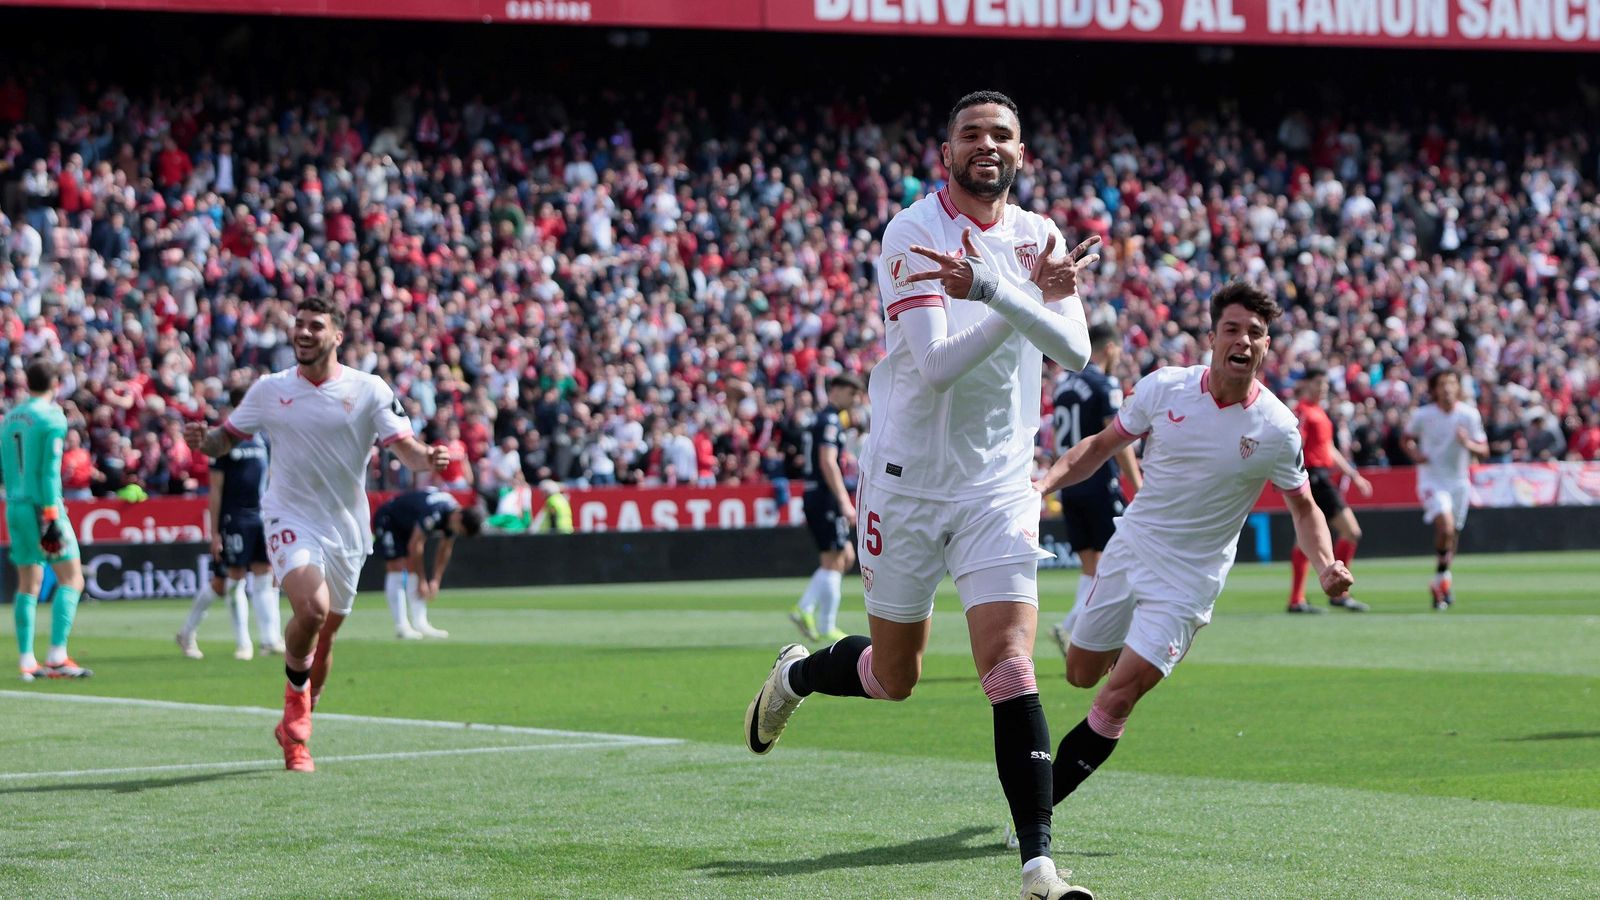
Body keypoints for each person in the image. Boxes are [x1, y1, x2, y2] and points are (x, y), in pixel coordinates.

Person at [743, 91, 1097, 900]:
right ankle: (798, 676)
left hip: (999, 486)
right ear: (946, 153)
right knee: (895, 675)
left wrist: (1005, 288)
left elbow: (1075, 351)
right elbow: (936, 367)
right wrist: (1015, 294)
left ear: (1022, 152)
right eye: (971, 134)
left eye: (1002, 134)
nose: (987, 145)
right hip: (905, 483)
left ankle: (1039, 868)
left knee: (1009, 664)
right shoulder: (912, 232)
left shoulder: (1040, 236)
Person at [1033, 281, 1354, 847]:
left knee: (1116, 698)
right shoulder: (1165, 388)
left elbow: (1305, 508)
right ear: (1211, 337)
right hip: (1132, 550)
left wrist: (1326, 562)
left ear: (1266, 346)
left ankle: (1035, 812)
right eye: (1232, 329)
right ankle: (1127, 647)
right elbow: (1101, 446)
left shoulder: (1277, 427)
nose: (1243, 340)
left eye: (1255, 333)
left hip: (1190, 582)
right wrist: (1043, 485)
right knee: (1080, 672)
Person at [185, 297, 449, 772]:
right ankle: (296, 710)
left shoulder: (368, 388)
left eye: (315, 326)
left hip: (346, 528)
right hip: (288, 516)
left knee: (324, 638)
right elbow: (225, 438)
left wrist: (428, 458)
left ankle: (296, 728)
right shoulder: (270, 388)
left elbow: (406, 449)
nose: (304, 333)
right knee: (312, 609)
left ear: (337, 336)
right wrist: (204, 441)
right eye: (299, 325)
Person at [1046, 323, 1142, 659]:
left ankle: (1075, 631)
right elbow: (1117, 439)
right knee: (1126, 559)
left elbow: (1056, 441)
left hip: (1070, 485)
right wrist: (1138, 485)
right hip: (1098, 481)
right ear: (1110, 348)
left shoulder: (1063, 386)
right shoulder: (1105, 384)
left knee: (1092, 565)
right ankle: (1080, 629)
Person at [176, 386, 284, 660]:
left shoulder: (262, 439)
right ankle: (242, 642)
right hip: (234, 518)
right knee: (229, 580)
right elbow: (215, 490)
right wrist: (214, 532)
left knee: (263, 574)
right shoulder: (224, 440)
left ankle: (270, 639)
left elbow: (270, 480)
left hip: (260, 518)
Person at [3, 358, 92, 681]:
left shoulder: (10, 417)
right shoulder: (52, 417)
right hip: (43, 507)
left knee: (28, 583)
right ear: (55, 384)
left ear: (27, 383)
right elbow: (48, 472)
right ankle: (56, 655)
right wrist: (52, 516)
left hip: (14, 505)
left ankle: (27, 660)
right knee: (72, 579)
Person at [1286, 367, 1373, 613]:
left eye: (1325, 384)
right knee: (1351, 531)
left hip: (1321, 475)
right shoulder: (1303, 411)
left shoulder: (1319, 412)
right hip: (1314, 476)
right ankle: (1339, 593)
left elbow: (1329, 449)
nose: (1323, 388)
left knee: (1304, 539)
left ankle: (1296, 599)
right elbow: (1296, 442)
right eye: (1318, 383)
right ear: (1306, 384)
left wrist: (1353, 475)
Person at [1401, 369, 1487, 610]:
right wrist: (1415, 455)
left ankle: (1442, 581)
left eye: (1451, 383)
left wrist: (1467, 443)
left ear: (1458, 387)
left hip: (1459, 482)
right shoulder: (1423, 415)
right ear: (1435, 389)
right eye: (1442, 384)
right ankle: (1442, 578)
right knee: (1446, 527)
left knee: (1453, 534)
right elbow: (1406, 438)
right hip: (1432, 480)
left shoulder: (1469, 415)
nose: (1447, 388)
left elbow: (1484, 450)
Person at [789, 373, 865, 643]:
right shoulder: (830, 420)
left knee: (845, 556)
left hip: (818, 494)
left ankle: (810, 611)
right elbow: (827, 461)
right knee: (835, 558)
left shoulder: (820, 419)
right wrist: (844, 500)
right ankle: (819, 620)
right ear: (836, 391)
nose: (854, 400)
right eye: (851, 393)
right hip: (824, 495)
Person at [372, 488, 485, 639]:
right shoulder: (434, 511)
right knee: (397, 568)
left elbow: (445, 548)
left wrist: (436, 580)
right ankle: (402, 626)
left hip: (408, 525)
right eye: (459, 530)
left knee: (411, 568)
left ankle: (420, 623)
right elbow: (415, 545)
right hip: (390, 519)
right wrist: (422, 580)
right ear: (458, 517)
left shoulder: (453, 516)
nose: (457, 532)